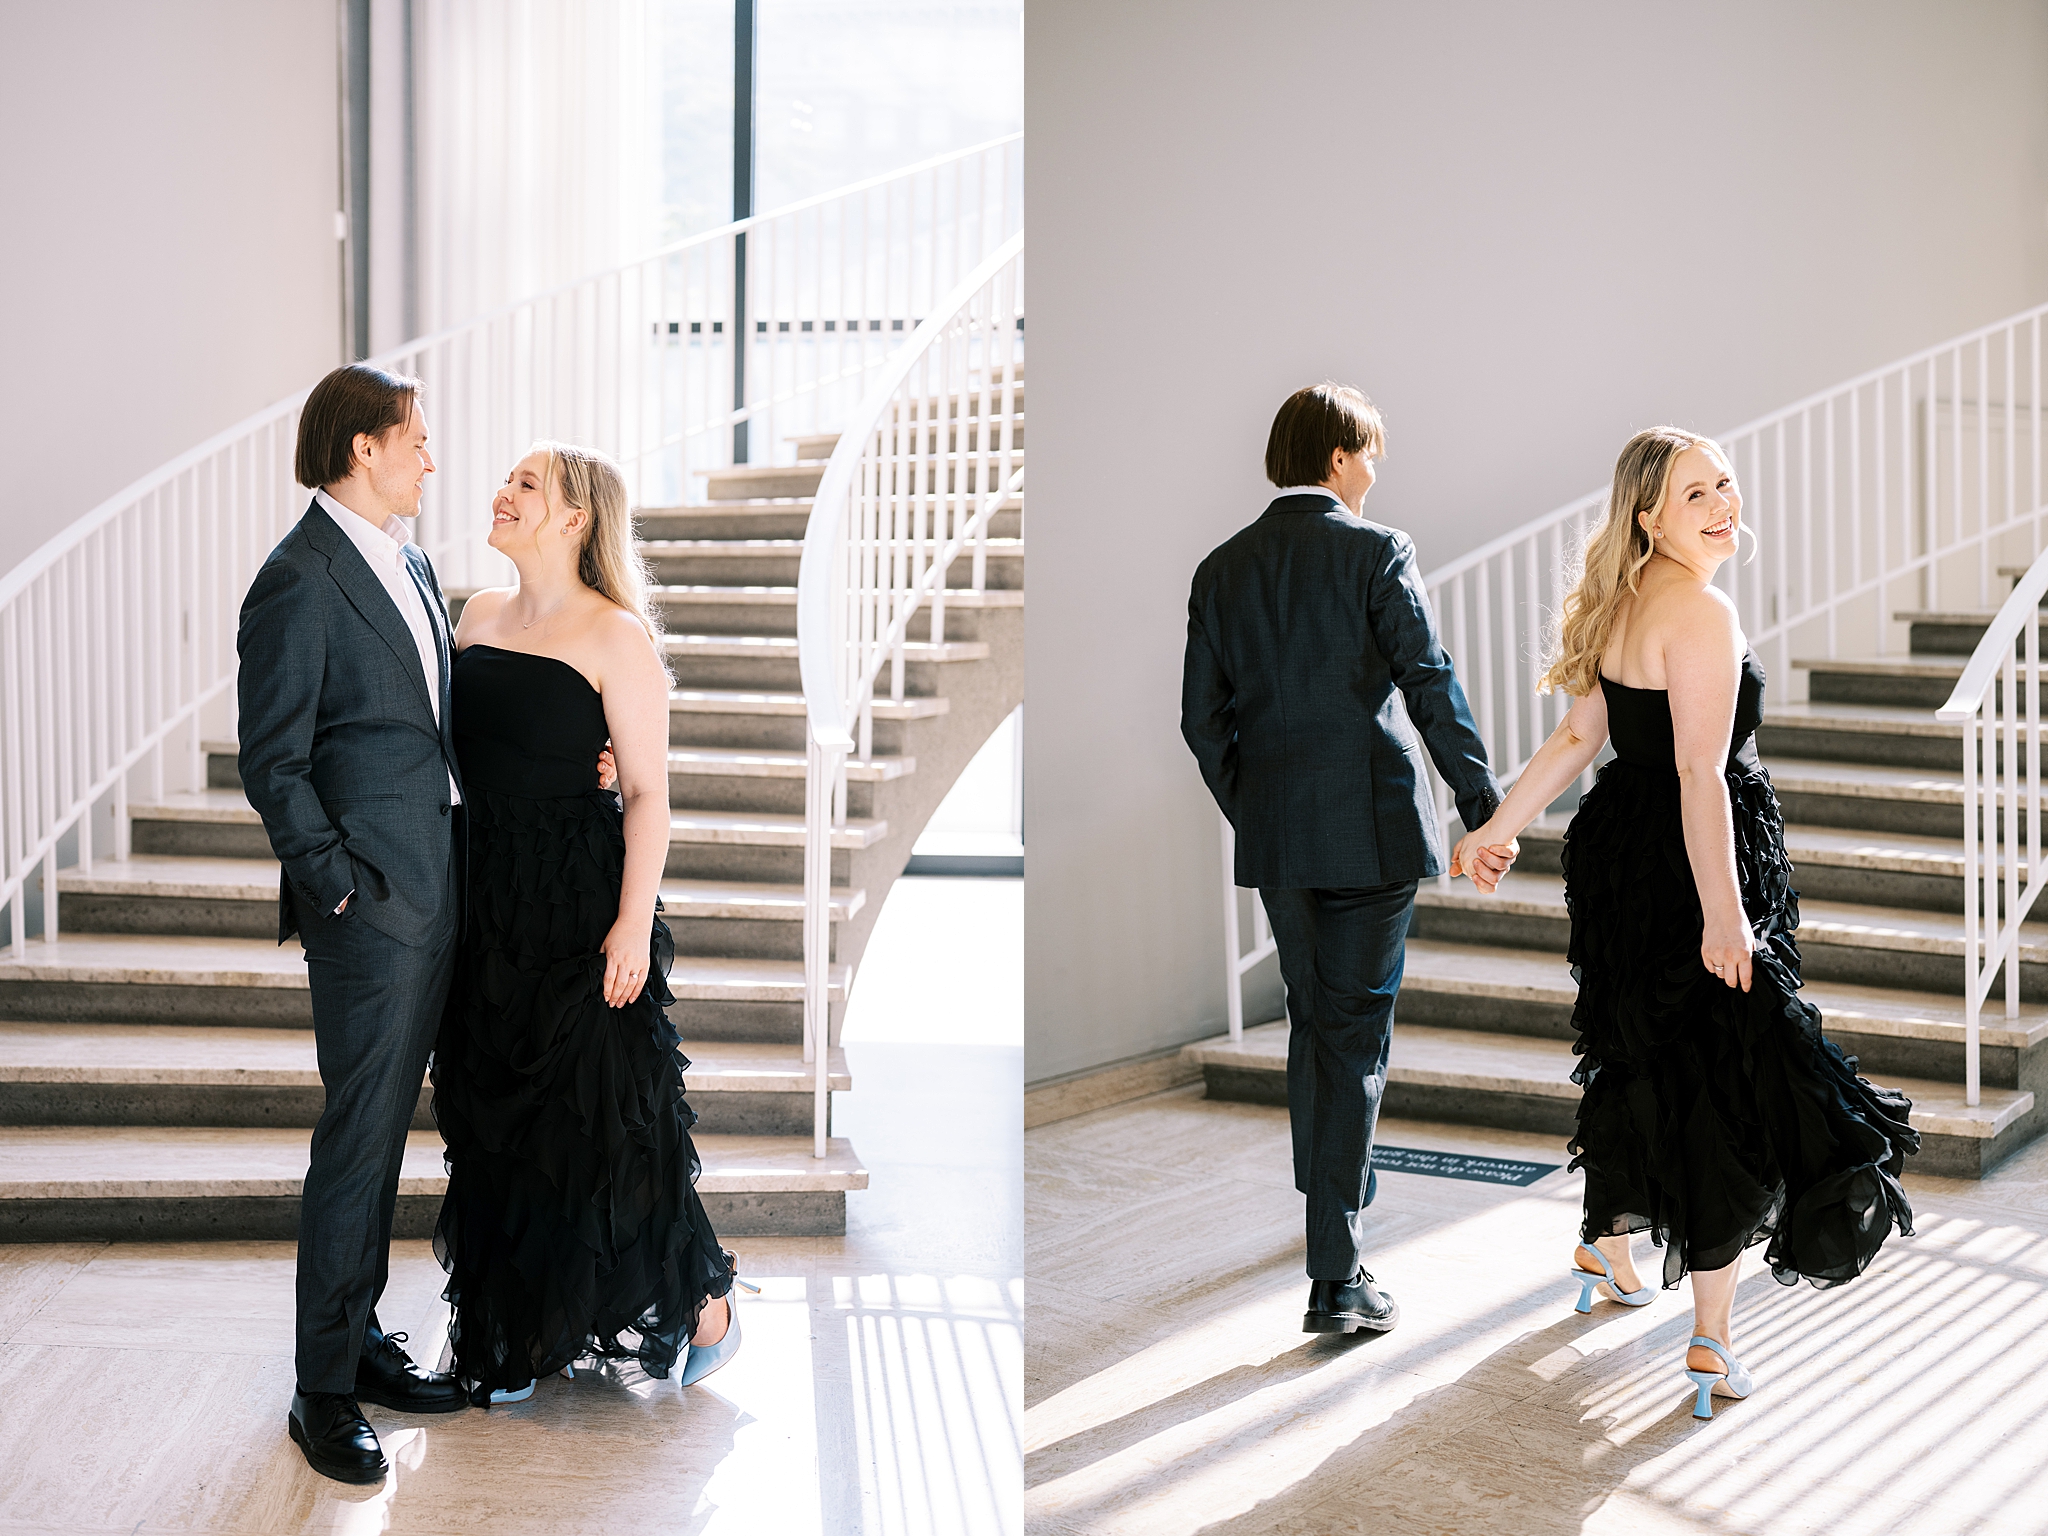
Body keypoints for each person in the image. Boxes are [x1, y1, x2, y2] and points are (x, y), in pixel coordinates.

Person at [1455, 426, 1917, 1420]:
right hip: (1684, 863)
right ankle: (1708, 1340)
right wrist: (1723, 917)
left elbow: (1578, 737)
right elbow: (1697, 773)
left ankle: (1606, 1246)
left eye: (1724, 484)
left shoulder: (1622, 604)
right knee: (1727, 1080)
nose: (1720, 504)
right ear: (1647, 516)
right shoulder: (1698, 612)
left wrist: (1496, 826)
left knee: (1639, 1059)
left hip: (1619, 857)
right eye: (1693, 493)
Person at [1181, 382, 1513, 1337]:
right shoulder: (1377, 549)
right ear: (1336, 457)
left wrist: (1258, 806)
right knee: (1355, 1036)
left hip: (1281, 836)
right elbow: (1428, 681)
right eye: (1369, 453)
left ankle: (1332, 1193)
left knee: (1314, 1019)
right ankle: (1337, 1270)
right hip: (1370, 829)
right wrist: (1482, 803)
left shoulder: (1221, 568)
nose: (1375, 471)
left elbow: (1202, 723)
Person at [430, 440, 748, 1406]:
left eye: (527, 485)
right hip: (483, 897)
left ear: (575, 519)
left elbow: (648, 794)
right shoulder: (473, 616)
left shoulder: (617, 636)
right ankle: (524, 1331)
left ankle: (707, 1312)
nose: (504, 492)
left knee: (607, 1126)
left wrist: (630, 926)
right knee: (496, 1122)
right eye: (509, 479)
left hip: (579, 906)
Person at [240, 365, 475, 1484]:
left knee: (385, 1139)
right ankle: (320, 1389)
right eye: (415, 439)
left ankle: (361, 1339)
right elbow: (273, 759)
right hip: (369, 912)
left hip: (439, 896)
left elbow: (430, 730)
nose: (431, 456)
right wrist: (337, 883)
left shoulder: (412, 562)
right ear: (361, 448)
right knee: (358, 1140)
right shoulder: (297, 580)